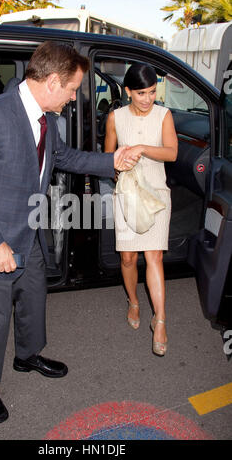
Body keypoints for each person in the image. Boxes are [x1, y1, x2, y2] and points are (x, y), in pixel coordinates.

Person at [0, 41, 140, 424]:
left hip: (29, 233)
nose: (73, 98)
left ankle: (27, 355)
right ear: (53, 81)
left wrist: (112, 160)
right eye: (72, 90)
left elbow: (63, 157)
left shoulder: (45, 119)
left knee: (34, 299)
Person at [105, 63, 178, 357]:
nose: (148, 99)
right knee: (127, 258)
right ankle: (133, 301)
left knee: (154, 256)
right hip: (128, 196)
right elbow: (107, 158)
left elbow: (172, 153)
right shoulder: (115, 118)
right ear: (127, 92)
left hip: (157, 195)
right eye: (140, 93)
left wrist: (141, 149)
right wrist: (120, 166)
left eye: (151, 92)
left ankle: (159, 320)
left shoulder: (164, 115)